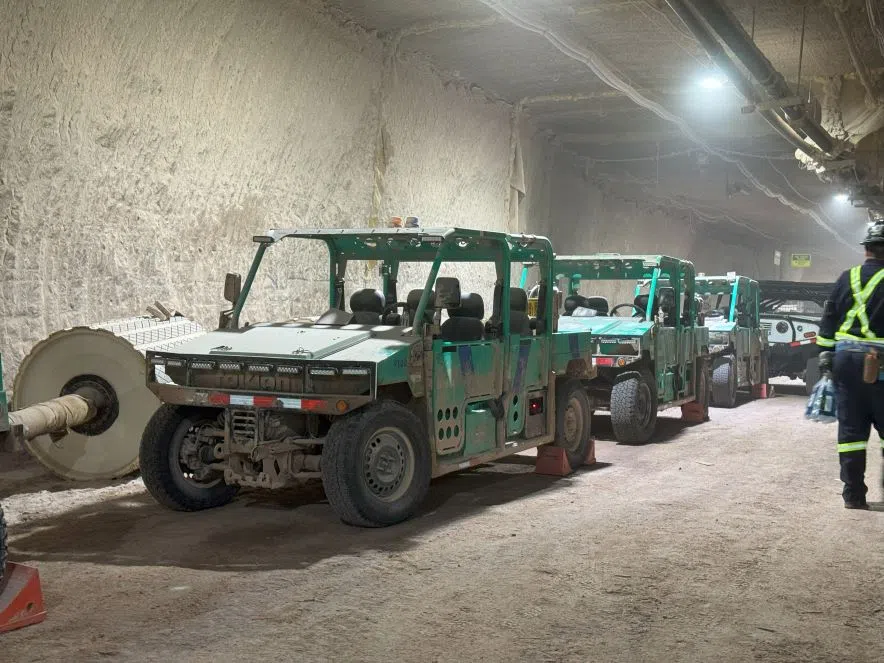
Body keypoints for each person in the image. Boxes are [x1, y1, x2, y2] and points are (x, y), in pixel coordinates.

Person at [816, 218, 884, 509]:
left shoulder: (847, 277)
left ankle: (854, 496)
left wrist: (825, 359)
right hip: (881, 362)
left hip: (845, 360)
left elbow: (829, 319)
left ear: (866, 248)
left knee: (852, 431)